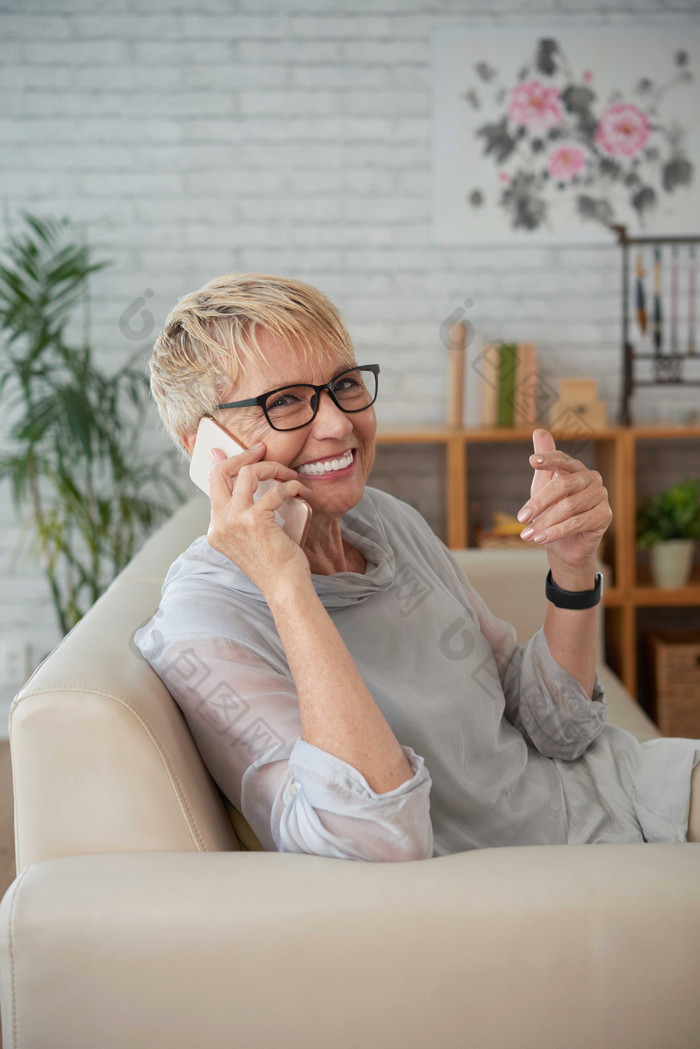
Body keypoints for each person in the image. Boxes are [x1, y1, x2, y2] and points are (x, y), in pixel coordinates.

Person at [135, 272, 700, 859]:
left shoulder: (385, 520)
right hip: (556, 869)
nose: (337, 425)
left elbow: (556, 728)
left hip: (621, 788)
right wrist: (286, 585)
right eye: (283, 402)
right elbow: (376, 837)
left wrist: (573, 569)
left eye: (345, 385)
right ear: (201, 447)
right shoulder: (202, 627)